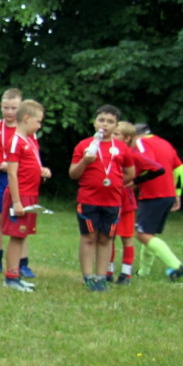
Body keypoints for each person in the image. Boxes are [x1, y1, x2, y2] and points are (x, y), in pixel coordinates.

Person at [68, 105, 135, 291]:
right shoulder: (84, 145)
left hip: (113, 201)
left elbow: (130, 172)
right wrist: (85, 161)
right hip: (88, 199)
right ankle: (88, 277)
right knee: (88, 237)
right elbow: (73, 173)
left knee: (106, 238)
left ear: (116, 126)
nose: (105, 124)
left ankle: (101, 277)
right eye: (101, 120)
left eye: (110, 122)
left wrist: (115, 183)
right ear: (94, 122)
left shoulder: (122, 148)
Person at [0, 89, 31, 276]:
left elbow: (33, 155)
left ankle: (22, 264)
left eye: (14, 108)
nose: (9, 112)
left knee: (20, 219)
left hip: (19, 179)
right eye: (5, 107)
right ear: (0, 107)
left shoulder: (26, 129)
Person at [106, 122, 164, 284]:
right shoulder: (108, 150)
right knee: (108, 236)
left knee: (126, 238)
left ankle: (126, 274)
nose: (112, 136)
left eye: (117, 134)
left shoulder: (132, 153)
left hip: (125, 202)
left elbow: (158, 169)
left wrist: (136, 180)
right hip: (109, 199)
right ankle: (108, 271)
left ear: (127, 138)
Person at [1, 100, 50, 293]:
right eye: (38, 121)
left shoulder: (30, 139)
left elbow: (32, 165)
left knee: (22, 236)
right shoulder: (16, 141)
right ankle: (11, 277)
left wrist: (42, 171)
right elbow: (12, 173)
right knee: (16, 235)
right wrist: (16, 201)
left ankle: (17, 275)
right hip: (19, 195)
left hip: (31, 194)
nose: (39, 125)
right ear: (27, 118)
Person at [130, 123, 183, 280]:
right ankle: (143, 272)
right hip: (167, 194)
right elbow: (180, 169)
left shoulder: (140, 143)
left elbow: (147, 162)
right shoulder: (164, 143)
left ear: (135, 135)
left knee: (142, 234)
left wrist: (134, 180)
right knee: (149, 232)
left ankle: (177, 266)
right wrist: (177, 193)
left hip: (153, 193)